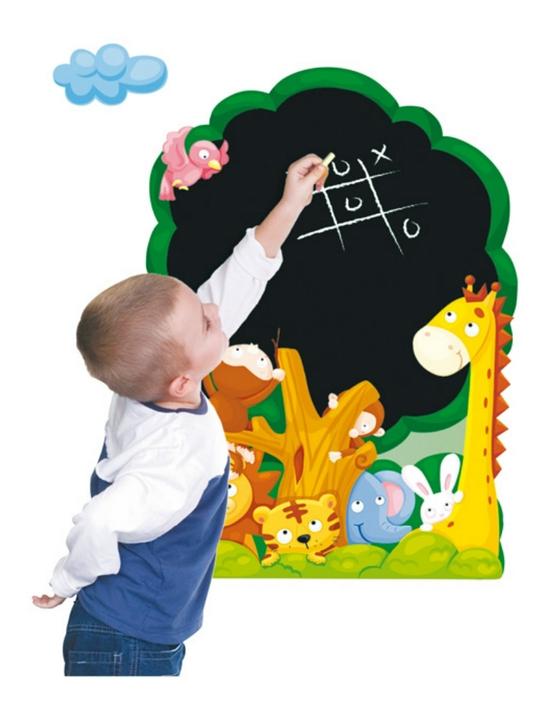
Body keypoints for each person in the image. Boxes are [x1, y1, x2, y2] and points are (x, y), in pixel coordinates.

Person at [32, 154, 328, 676]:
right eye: (206, 322)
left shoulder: (152, 379)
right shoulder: (170, 458)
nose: (215, 311)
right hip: (126, 640)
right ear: (183, 382)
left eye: (200, 304)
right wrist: (66, 579)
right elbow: (100, 519)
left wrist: (291, 203)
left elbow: (240, 277)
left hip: (137, 629)